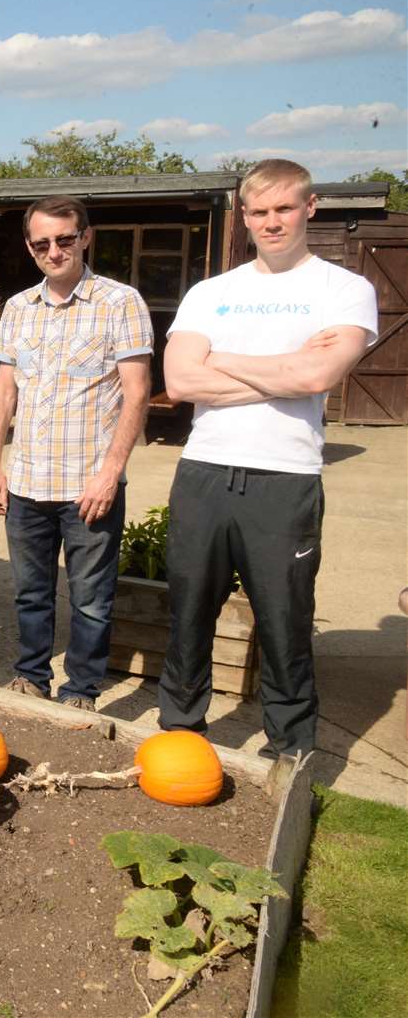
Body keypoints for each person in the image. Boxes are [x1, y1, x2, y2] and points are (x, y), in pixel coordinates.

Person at [159, 159, 376, 758]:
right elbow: (178, 380)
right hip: (204, 472)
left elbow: (319, 372)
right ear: (244, 217)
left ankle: (290, 752)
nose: (272, 222)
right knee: (189, 615)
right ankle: (179, 736)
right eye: (259, 211)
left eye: (284, 208)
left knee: (284, 624)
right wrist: (285, 374)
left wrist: (221, 360)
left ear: (310, 208)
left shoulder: (342, 289)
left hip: (285, 479)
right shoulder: (213, 292)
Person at [0, 196, 153, 711]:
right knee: (30, 594)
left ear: (85, 238)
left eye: (63, 239)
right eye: (41, 243)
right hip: (28, 482)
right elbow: (4, 391)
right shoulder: (18, 308)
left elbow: (138, 391)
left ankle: (81, 689)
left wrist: (111, 472)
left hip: (88, 486)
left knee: (91, 601)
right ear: (29, 247)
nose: (53, 251)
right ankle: (32, 676)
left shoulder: (120, 302)